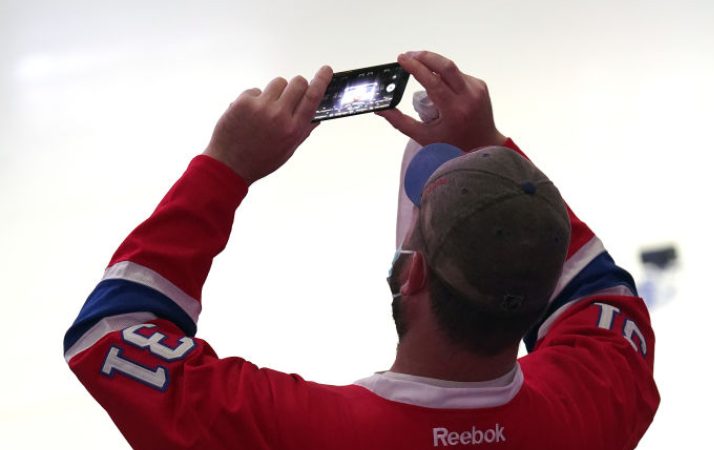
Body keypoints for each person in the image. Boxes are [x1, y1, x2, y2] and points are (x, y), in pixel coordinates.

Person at [63, 50, 659, 449]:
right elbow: (599, 293)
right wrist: (494, 152)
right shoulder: (594, 402)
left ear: (413, 274)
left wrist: (224, 168)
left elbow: (110, 336)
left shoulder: (296, 430)